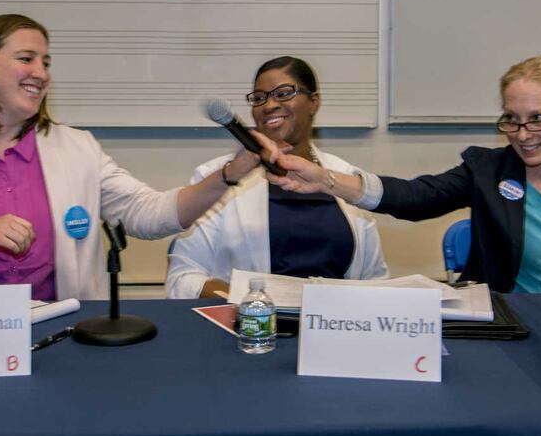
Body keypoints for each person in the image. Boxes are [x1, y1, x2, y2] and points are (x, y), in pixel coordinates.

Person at [0, 14, 270, 300]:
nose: (42, 73)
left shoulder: (77, 148)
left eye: (46, 63)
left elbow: (151, 215)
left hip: (61, 338)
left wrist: (229, 174)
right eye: (26, 58)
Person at [268, 54, 541, 293]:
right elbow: (415, 197)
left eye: (538, 119)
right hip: (507, 326)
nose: (523, 134)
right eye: (511, 119)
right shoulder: (487, 170)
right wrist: (328, 180)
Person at [166, 56, 388, 299]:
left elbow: (375, 280)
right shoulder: (219, 177)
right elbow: (184, 279)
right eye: (260, 98)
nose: (269, 105)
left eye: (283, 93)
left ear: (314, 101)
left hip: (334, 327)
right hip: (251, 328)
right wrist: (254, 303)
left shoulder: (346, 177)